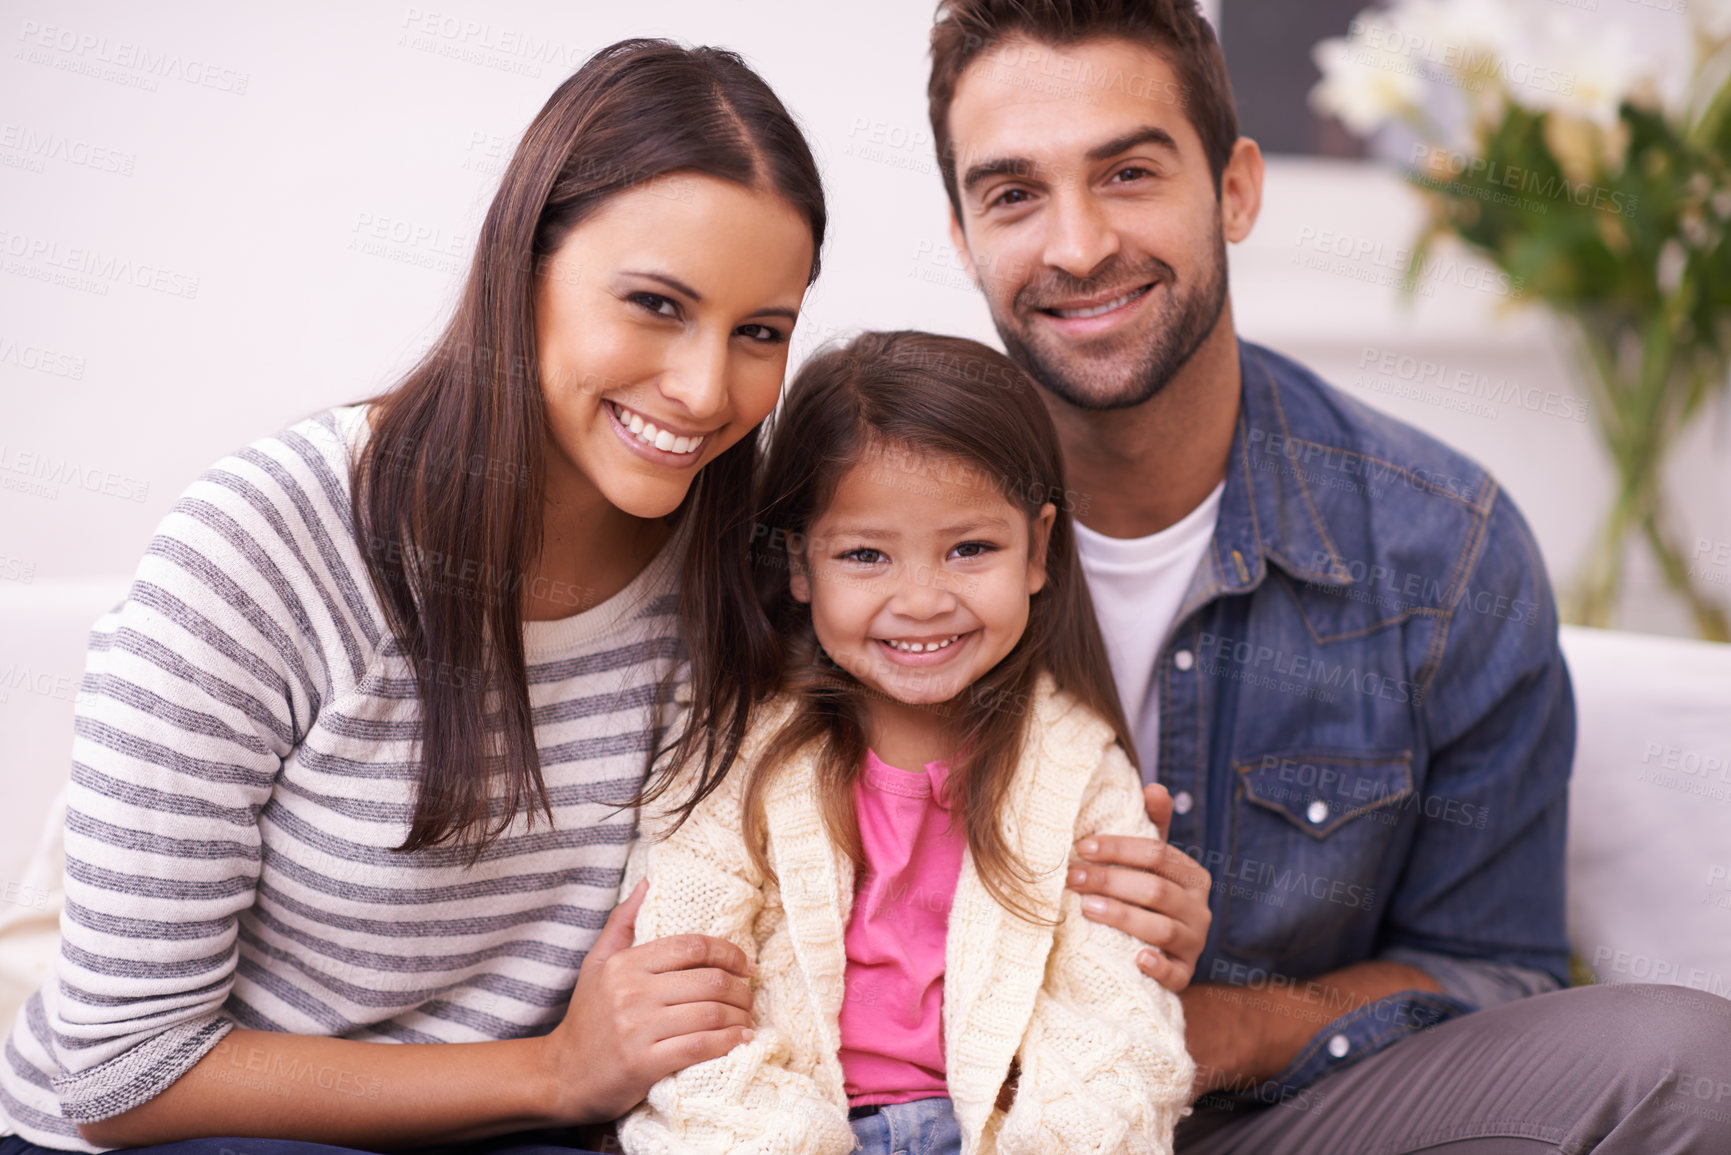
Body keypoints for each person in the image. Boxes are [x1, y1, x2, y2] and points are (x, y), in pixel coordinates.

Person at [923, 1, 1731, 1151]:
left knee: (1692, 1071)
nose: (1077, 244)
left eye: (1130, 173)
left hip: (1264, 1125)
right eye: (1013, 194)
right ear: (960, 237)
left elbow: (1490, 974)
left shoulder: (1439, 549)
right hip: (933, 1116)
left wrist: (1215, 1031)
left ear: (1236, 189)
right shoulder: (856, 523)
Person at [0, 38, 828, 1155]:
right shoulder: (263, 544)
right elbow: (123, 1072)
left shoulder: (743, 569)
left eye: (760, 333)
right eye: (655, 304)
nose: (704, 387)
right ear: (522, 267)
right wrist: (554, 1073)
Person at [616, 330, 1192, 1155]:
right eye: (864, 554)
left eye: (969, 548)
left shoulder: (1077, 765)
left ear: (1036, 548)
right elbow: (689, 1017)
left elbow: (1118, 1028)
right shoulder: (732, 754)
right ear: (799, 564)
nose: (921, 600)